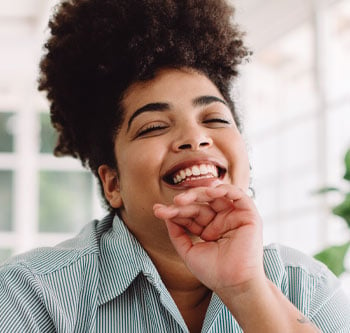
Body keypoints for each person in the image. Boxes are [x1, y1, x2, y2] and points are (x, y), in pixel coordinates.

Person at [0, 0, 349, 332]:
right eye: (154, 126)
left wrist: (247, 289)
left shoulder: (305, 285)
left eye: (214, 118)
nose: (194, 138)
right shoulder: (31, 295)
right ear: (113, 184)